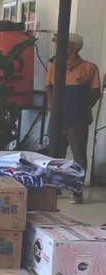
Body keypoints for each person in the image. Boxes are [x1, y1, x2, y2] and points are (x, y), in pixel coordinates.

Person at [45, 32, 101, 204]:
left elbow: (95, 93)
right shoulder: (55, 66)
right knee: (55, 154)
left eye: (63, 44)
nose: (58, 47)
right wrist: (51, 104)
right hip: (58, 117)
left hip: (78, 119)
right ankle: (54, 188)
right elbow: (48, 86)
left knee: (79, 156)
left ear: (75, 47)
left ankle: (76, 190)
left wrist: (82, 108)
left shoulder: (89, 68)